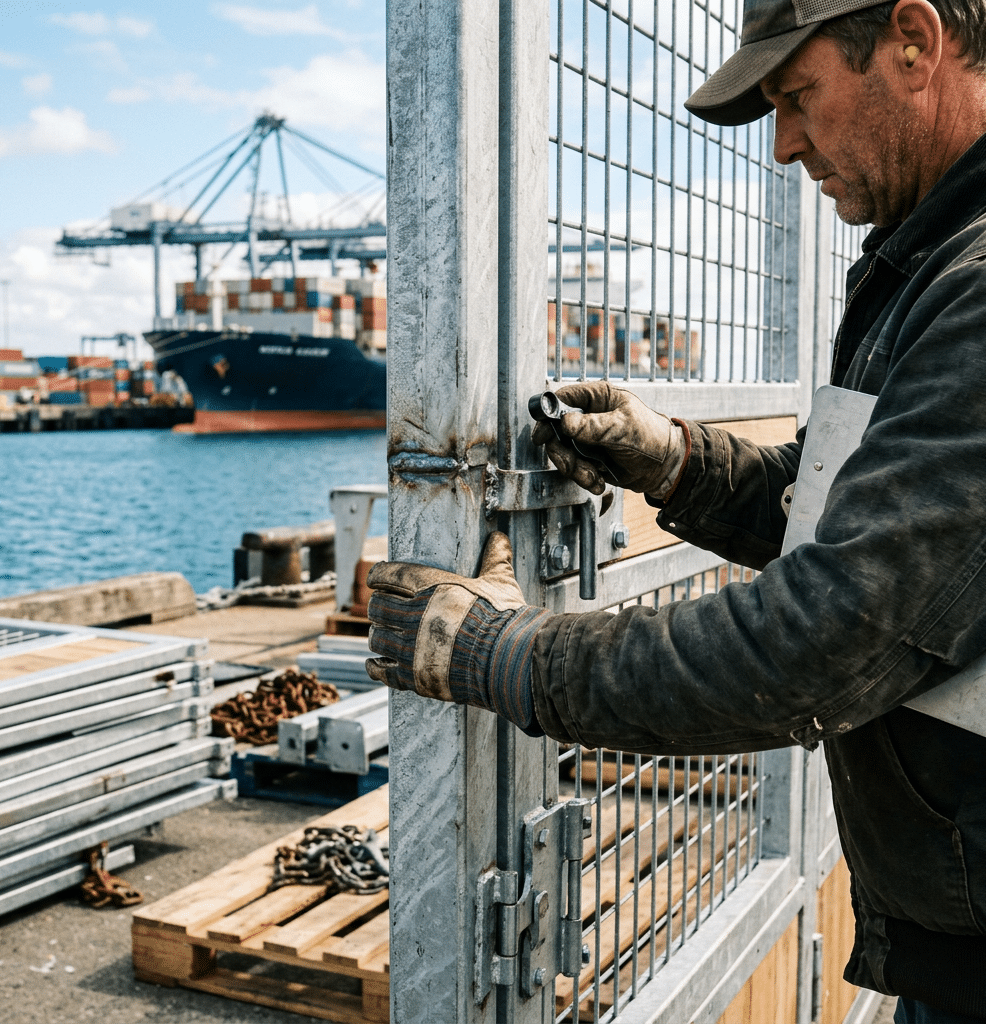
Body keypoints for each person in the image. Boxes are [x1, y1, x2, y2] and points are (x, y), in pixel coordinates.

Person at [366, 1, 986, 1020]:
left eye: (797, 97)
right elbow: (865, 513)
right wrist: (678, 462)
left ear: (913, 43)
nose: (785, 145)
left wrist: (506, 654)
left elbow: (824, 639)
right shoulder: (936, 261)